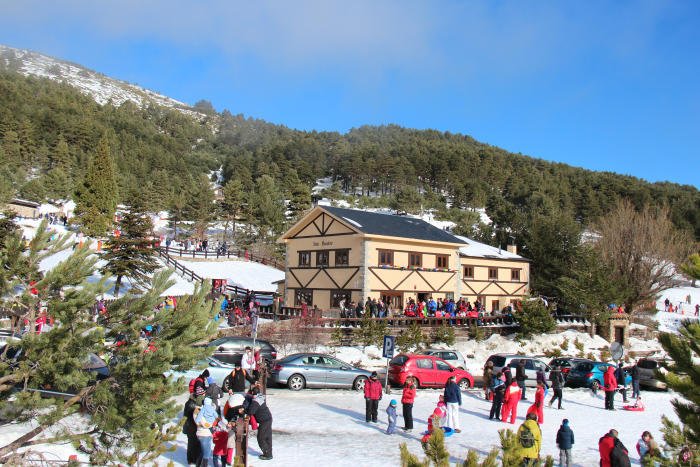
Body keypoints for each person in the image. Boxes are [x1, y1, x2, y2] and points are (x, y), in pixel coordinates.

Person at [245, 386, 273, 460]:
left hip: (264, 421)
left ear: (253, 393)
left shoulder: (255, 401)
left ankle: (267, 454)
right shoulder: (260, 397)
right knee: (267, 437)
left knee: (261, 437)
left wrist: (245, 411)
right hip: (268, 418)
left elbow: (251, 411)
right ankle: (269, 453)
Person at [195, 397, 218, 467]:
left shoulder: (199, 411)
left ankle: (199, 465)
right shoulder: (200, 412)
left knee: (203, 452)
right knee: (206, 453)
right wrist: (212, 424)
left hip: (202, 433)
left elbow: (198, 421)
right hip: (205, 434)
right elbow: (206, 424)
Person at [183, 394, 202, 466]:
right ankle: (192, 459)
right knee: (193, 443)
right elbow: (193, 416)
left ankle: (190, 459)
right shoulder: (192, 404)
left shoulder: (188, 403)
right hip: (191, 426)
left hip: (188, 426)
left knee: (190, 443)